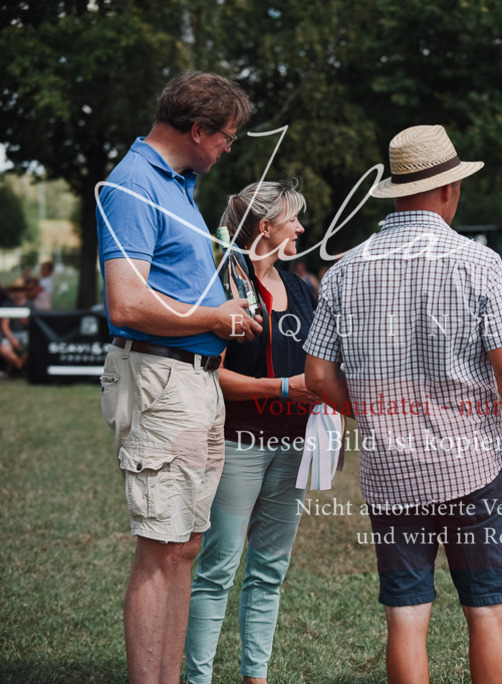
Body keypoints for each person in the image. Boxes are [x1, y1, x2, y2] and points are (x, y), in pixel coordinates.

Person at [304, 124, 502, 684]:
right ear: (449, 190)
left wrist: (370, 411)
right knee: (488, 612)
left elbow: (318, 376)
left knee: (406, 616)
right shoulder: (479, 263)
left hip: (390, 469)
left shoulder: (344, 270)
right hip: (473, 465)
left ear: (396, 191)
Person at [96, 70, 259, 684]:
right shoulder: (134, 185)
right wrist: (213, 315)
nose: (227, 148)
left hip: (195, 385)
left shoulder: (179, 184)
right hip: (163, 387)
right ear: (197, 130)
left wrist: (221, 321)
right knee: (160, 551)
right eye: (226, 137)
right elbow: (125, 304)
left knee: (186, 543)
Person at [184, 181, 321, 684]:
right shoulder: (223, 285)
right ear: (265, 228)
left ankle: (254, 677)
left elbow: (317, 365)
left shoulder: (301, 287)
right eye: (293, 220)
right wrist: (283, 387)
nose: (302, 229)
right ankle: (198, 678)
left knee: (270, 571)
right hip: (237, 442)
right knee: (218, 570)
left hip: (295, 445)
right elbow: (208, 371)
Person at [0, 279, 33, 375]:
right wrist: (12, 339)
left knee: (35, 347)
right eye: (16, 290)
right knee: (4, 350)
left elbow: (35, 325)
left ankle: (17, 368)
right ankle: (19, 366)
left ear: (24, 291)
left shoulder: (30, 306)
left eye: (21, 290)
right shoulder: (7, 305)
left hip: (26, 334)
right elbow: (4, 325)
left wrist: (26, 321)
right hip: (12, 334)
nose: (18, 292)